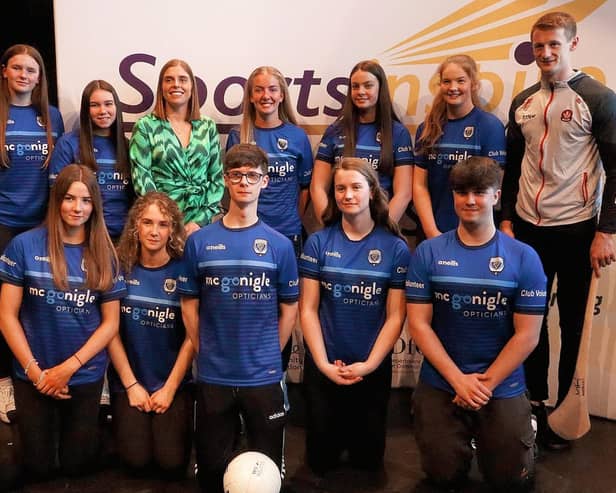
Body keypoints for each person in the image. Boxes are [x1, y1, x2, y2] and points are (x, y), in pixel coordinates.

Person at [500, 11, 616, 450]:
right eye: (539, 46)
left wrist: (606, 231)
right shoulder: (524, 102)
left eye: (554, 45)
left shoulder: (599, 98)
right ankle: (533, 405)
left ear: (573, 44)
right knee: (529, 319)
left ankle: (566, 412)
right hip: (528, 231)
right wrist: (507, 219)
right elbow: (512, 169)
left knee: (570, 322)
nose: (546, 54)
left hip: (578, 231)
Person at [406, 156, 546, 492]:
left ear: (496, 197)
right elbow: (419, 325)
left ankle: (521, 430)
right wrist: (458, 381)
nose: (470, 200)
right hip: (442, 381)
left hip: (501, 383)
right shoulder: (428, 253)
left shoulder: (523, 256)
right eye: (462, 192)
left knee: (510, 480)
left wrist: (482, 386)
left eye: (480, 192)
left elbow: (528, 335)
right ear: (453, 196)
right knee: (441, 476)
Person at [178, 143, 298, 493]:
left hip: (262, 374)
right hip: (214, 374)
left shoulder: (279, 245)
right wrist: (203, 348)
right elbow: (189, 303)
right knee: (212, 477)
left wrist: (269, 352)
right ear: (225, 180)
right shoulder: (199, 242)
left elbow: (290, 307)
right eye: (236, 175)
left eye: (252, 175)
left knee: (267, 475)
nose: (244, 182)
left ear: (265, 182)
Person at [0, 164, 126, 481]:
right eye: (70, 198)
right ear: (57, 200)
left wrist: (67, 368)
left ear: (95, 205)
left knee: (77, 466)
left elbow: (110, 324)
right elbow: (6, 316)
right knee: (37, 468)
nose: (77, 208)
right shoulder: (24, 246)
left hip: (82, 374)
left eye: (85, 201)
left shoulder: (106, 253)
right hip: (33, 374)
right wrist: (36, 372)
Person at [299, 157, 409, 474]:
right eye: (340, 188)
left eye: (356, 187)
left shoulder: (395, 247)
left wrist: (370, 364)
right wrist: (321, 363)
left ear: (373, 192)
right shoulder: (319, 242)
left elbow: (394, 317)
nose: (348, 195)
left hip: (370, 369)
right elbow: (307, 309)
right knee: (320, 464)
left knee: (367, 464)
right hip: (325, 366)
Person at [0, 44, 64, 424]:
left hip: (43, 226)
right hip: (5, 225)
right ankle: (5, 380)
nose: (24, 75)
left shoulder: (51, 116)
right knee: (5, 307)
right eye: (18, 68)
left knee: (38, 306)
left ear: (40, 77)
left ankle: (43, 371)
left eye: (32, 70)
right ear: (5, 72)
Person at [109, 191, 193, 477]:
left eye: (163, 224)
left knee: (170, 463)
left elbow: (192, 338)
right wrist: (132, 385)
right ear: (135, 226)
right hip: (130, 382)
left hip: (173, 384)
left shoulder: (184, 270)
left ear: (173, 230)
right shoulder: (120, 268)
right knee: (136, 461)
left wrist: (169, 389)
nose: (154, 231)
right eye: (147, 222)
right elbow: (110, 333)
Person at [413, 54, 506, 239]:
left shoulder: (490, 126)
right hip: (434, 232)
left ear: (473, 84)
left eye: (460, 81)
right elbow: (419, 186)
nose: (453, 88)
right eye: (446, 81)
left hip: (477, 235)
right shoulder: (427, 128)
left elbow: (491, 188)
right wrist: (432, 233)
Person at [310, 60, 413, 226]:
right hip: (339, 226)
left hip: (380, 227)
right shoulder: (335, 131)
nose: (361, 91)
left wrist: (380, 232)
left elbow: (404, 193)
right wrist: (330, 228)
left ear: (381, 88)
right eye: (355, 86)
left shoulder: (398, 133)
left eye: (368, 85)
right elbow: (317, 188)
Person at [130, 58, 224, 236]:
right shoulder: (145, 126)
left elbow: (217, 180)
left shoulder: (207, 126)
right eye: (169, 80)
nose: (176, 85)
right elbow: (142, 179)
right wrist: (165, 221)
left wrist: (200, 221)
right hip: (160, 226)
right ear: (161, 87)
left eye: (182, 79)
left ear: (191, 86)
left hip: (201, 226)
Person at [226, 66, 313, 256]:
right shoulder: (237, 136)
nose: (266, 95)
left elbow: (305, 187)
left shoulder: (297, 136)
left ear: (282, 95)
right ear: (250, 96)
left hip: (288, 230)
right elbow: (232, 186)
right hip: (246, 228)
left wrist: (293, 218)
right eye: (259, 90)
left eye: (272, 89)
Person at [49, 80, 132, 242]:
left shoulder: (128, 146)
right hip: (83, 237)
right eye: (95, 105)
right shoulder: (69, 144)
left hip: (122, 239)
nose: (103, 111)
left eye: (108, 104)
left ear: (117, 108)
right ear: (86, 110)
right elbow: (57, 195)